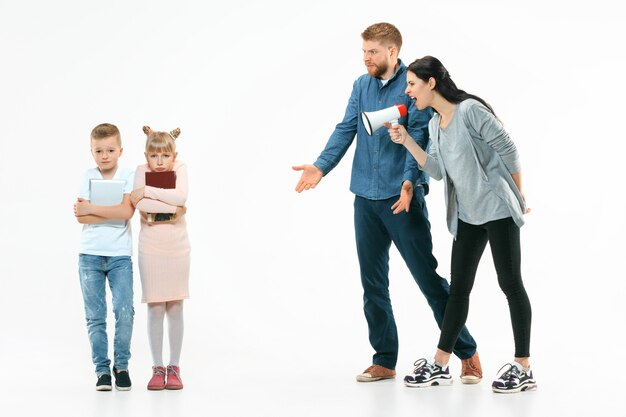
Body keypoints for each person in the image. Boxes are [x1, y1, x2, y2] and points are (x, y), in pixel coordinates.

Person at [292, 23, 481, 383]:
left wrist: (411, 182)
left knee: (428, 279)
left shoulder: (413, 85)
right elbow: (346, 127)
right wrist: (320, 166)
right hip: (365, 197)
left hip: (402, 197)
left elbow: (422, 135)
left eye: (372, 52)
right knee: (373, 283)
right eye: (363, 51)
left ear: (392, 52)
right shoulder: (361, 85)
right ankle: (384, 360)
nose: (366, 58)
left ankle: (467, 353)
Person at [387, 55, 536, 393]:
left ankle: (524, 367)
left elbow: (509, 150)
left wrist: (518, 196)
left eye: (412, 84)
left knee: (510, 284)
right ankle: (440, 365)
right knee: (458, 291)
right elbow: (437, 171)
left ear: (431, 83)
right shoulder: (433, 125)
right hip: (467, 215)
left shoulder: (469, 111)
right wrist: (408, 142)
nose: (409, 91)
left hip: (498, 209)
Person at [74, 123, 136, 391]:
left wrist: (93, 208)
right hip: (90, 255)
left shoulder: (128, 174)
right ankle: (102, 371)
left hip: (119, 255)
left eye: (110, 150)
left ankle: (121, 365)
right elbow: (80, 216)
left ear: (120, 150)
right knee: (95, 316)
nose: (105, 155)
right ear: (92, 151)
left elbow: (126, 213)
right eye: (99, 150)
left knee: (124, 311)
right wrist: (107, 209)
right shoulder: (87, 175)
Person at [130, 126, 190, 391]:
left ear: (173, 155)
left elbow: (181, 197)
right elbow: (140, 205)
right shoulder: (140, 171)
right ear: (147, 155)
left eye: (165, 156)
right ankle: (157, 367)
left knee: (175, 306)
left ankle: (174, 366)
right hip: (151, 247)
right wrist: (171, 206)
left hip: (177, 246)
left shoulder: (181, 168)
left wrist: (149, 192)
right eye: (154, 157)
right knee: (155, 308)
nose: (159, 162)